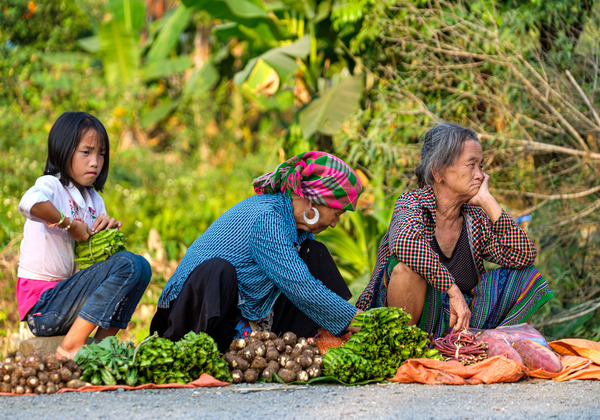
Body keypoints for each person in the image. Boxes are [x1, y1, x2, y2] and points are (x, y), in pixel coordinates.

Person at [356, 122, 554, 339]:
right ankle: (402, 350)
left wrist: (489, 202)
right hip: (407, 323)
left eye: (481, 166)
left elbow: (523, 256)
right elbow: (406, 243)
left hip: (457, 322)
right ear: (438, 172)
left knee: (526, 276)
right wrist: (452, 290)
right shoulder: (411, 203)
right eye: (472, 165)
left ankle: (489, 345)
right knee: (407, 269)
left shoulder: (474, 217)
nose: (480, 175)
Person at [150, 151, 363, 351]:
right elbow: (300, 286)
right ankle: (196, 352)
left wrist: (346, 318)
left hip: (239, 316)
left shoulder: (296, 230)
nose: (335, 223)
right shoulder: (267, 217)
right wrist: (355, 319)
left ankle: (310, 344)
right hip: (187, 317)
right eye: (337, 214)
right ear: (313, 201)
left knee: (314, 253)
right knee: (218, 270)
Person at [17, 111, 152, 359]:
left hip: (70, 302)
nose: (95, 162)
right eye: (86, 152)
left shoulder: (94, 201)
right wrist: (69, 224)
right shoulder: (52, 185)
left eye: (101, 154)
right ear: (64, 150)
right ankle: (70, 348)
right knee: (129, 264)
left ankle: (100, 346)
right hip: (43, 306)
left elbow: (102, 271)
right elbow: (28, 203)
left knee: (140, 267)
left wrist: (105, 238)